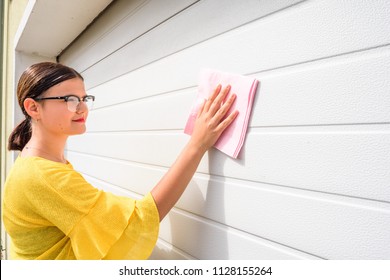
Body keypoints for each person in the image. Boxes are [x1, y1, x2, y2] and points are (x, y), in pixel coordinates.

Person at [2, 62, 238, 260]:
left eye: (85, 98)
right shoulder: (44, 175)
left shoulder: (35, 162)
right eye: (70, 99)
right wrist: (197, 144)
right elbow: (134, 225)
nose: (82, 108)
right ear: (33, 107)